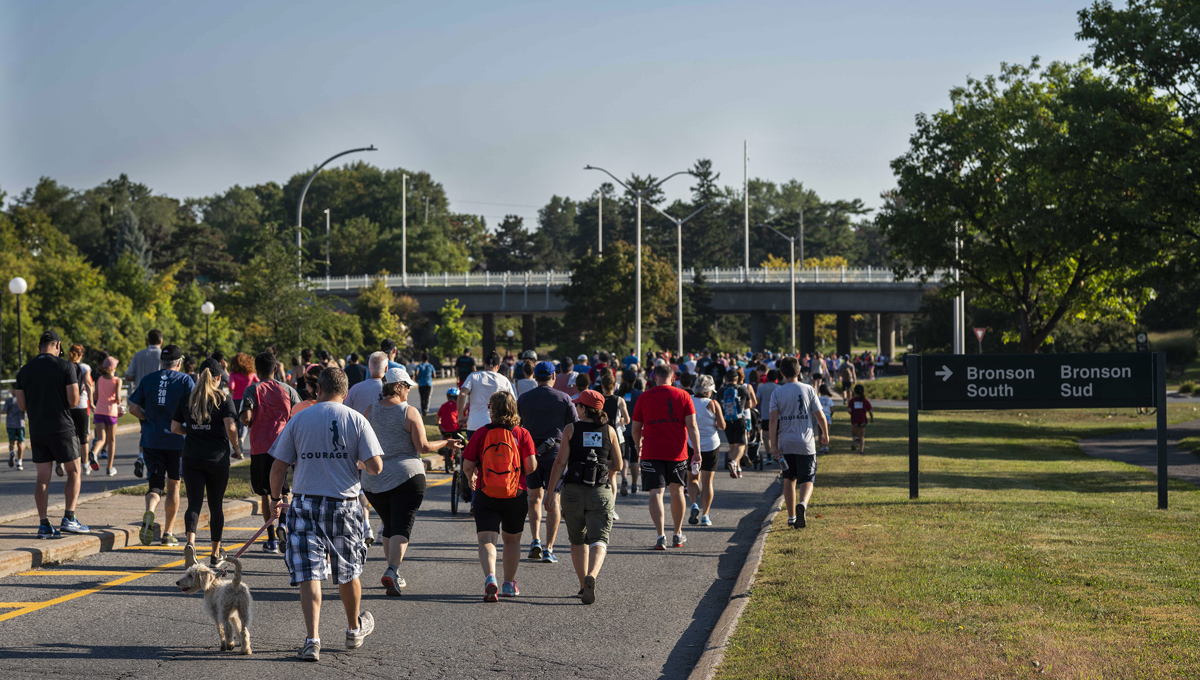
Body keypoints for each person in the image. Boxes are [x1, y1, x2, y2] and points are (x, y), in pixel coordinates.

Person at [267, 367, 383, 662]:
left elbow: (278, 468)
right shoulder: (356, 419)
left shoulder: (300, 419)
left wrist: (277, 500)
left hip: (305, 504)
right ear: (346, 393)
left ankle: (312, 639)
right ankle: (353, 628)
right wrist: (354, 461)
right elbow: (376, 467)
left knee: (309, 574)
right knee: (348, 571)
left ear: (317, 389)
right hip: (343, 504)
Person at [363, 367, 461, 596]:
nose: (408, 391)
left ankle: (393, 572)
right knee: (402, 525)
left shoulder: (370, 410)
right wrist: (446, 443)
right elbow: (423, 447)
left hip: (374, 480)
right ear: (398, 386)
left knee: (389, 524)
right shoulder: (409, 412)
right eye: (407, 386)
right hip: (406, 476)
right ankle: (392, 569)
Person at [544, 389, 621, 604]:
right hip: (600, 491)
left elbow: (560, 463)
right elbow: (619, 465)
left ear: (583, 409)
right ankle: (592, 575)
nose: (576, 408)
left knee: (577, 540)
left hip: (573, 492)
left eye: (578, 405)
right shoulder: (610, 431)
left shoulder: (570, 429)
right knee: (600, 539)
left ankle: (581, 585)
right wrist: (603, 466)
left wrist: (550, 493)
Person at [462, 391, 538, 602]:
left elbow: (467, 465)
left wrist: (472, 478)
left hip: (486, 493)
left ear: (492, 410)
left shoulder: (481, 433)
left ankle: (490, 578)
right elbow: (531, 466)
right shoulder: (522, 434)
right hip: (515, 493)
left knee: (487, 539)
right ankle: (509, 584)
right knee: (512, 541)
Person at [14, 330, 89, 538]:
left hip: (37, 429)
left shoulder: (24, 371)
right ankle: (69, 518)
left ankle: (44, 524)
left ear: (40, 346)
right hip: (62, 426)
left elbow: (21, 405)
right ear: (58, 345)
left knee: (42, 478)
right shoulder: (66, 366)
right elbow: (74, 401)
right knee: (74, 471)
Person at [172, 363, 243, 567]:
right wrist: (237, 449)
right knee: (215, 505)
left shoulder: (187, 398)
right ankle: (214, 553)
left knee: (194, 502)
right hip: (217, 459)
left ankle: (190, 544)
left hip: (192, 457)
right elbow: (230, 426)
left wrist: (193, 431)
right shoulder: (223, 399)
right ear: (219, 378)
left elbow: (175, 427)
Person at [128, 344, 194, 546]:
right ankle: (168, 533)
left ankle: (150, 511)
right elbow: (193, 407)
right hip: (177, 441)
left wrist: (146, 417)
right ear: (179, 362)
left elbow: (133, 408)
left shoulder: (149, 379)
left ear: (161, 362)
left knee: (155, 485)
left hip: (151, 439)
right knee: (174, 484)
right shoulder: (185, 380)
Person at [631, 363, 701, 550]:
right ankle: (677, 534)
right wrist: (697, 452)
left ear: (654, 377)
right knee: (677, 490)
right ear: (673, 377)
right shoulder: (684, 395)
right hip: (677, 452)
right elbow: (692, 426)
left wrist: (639, 446)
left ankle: (660, 536)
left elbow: (635, 428)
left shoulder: (644, 397)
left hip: (651, 452)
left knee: (656, 492)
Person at [517, 361, 578, 565]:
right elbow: (575, 427)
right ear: (553, 376)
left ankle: (535, 540)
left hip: (530, 454)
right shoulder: (564, 398)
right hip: (556, 455)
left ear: (535, 376)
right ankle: (549, 549)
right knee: (553, 500)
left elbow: (518, 426)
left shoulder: (524, 398)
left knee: (533, 498)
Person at [240, 351, 302, 553]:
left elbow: (247, 416)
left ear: (257, 371)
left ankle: (271, 538)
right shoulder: (288, 390)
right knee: (284, 490)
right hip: (284, 445)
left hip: (260, 446)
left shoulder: (253, 390)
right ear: (276, 369)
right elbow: (299, 413)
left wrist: (250, 420)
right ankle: (284, 523)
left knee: (265, 493)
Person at [769, 356, 829, 529]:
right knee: (807, 478)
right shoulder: (809, 389)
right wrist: (825, 434)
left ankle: (791, 517)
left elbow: (773, 421)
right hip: (806, 443)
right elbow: (820, 415)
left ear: (781, 373)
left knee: (789, 478)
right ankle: (802, 504)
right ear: (799, 371)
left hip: (786, 443)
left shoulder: (777, 393)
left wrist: (773, 444)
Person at [686, 375, 726, 527]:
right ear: (709, 390)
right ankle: (705, 515)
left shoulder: (688, 399)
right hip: (710, 445)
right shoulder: (713, 404)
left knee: (692, 479)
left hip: (692, 445)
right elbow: (722, 426)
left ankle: (694, 504)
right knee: (707, 481)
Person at [125, 329, 163, 479]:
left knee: (145, 430)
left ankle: (142, 456)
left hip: (141, 398)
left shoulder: (138, 355)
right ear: (161, 341)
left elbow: (128, 375)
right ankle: (154, 467)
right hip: (159, 397)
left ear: (148, 340)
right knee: (159, 431)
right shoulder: (163, 356)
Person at [457, 351, 514, 440]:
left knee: (475, 453)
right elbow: (513, 402)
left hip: (475, 425)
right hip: (497, 425)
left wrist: (460, 415)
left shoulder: (473, 376)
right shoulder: (504, 380)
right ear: (498, 366)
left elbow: (462, 394)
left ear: (484, 363)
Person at [719, 368, 757, 479]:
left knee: (732, 446)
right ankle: (735, 462)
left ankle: (738, 469)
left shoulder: (721, 390)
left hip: (727, 420)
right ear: (737, 378)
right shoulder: (743, 389)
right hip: (739, 419)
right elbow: (748, 406)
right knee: (741, 444)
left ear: (726, 378)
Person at [89, 356, 122, 476]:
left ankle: (94, 452)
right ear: (114, 367)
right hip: (111, 412)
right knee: (111, 440)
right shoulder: (117, 380)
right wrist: (120, 401)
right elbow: (118, 398)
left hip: (99, 412)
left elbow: (96, 396)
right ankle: (110, 467)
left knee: (101, 439)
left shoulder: (100, 379)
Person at [67, 344, 94, 477]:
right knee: (83, 437)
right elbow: (88, 384)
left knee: (71, 436)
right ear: (81, 354)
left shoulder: (65, 366)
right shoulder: (85, 367)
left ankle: (70, 463)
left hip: (68, 406)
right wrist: (92, 402)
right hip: (82, 405)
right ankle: (85, 465)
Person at [616, 375, 643, 496]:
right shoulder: (638, 394)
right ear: (635, 381)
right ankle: (634, 484)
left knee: (624, 456)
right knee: (635, 457)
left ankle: (623, 478)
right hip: (636, 428)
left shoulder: (619, 393)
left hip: (622, 430)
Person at [228, 352, 258, 445]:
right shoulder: (251, 374)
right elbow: (259, 383)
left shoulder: (233, 374)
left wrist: (233, 389)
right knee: (245, 422)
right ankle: (242, 438)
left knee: (236, 423)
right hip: (247, 400)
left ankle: (237, 442)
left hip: (236, 400)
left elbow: (231, 386)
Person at [756, 369, 781, 464]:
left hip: (766, 415)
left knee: (767, 437)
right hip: (778, 415)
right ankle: (778, 455)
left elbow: (757, 401)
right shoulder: (779, 388)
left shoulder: (762, 388)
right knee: (778, 435)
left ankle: (769, 455)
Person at [848, 384, 874, 453]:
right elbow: (870, 411)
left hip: (855, 420)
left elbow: (849, 410)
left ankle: (855, 440)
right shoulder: (865, 401)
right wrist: (872, 419)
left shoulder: (852, 401)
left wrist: (853, 414)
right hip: (863, 420)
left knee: (854, 435)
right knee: (862, 436)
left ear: (855, 392)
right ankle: (861, 450)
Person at [6, 390, 26, 470]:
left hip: (10, 424)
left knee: (11, 442)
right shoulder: (23, 400)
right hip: (20, 423)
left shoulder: (9, 400)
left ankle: (11, 452)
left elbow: (4, 410)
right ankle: (19, 462)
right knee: (20, 443)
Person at [817, 384, 835, 454]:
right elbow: (832, 410)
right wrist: (830, 415)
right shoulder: (829, 400)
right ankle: (826, 447)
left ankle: (821, 448)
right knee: (827, 433)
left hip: (820, 417)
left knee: (820, 433)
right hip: (827, 417)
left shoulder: (818, 399)